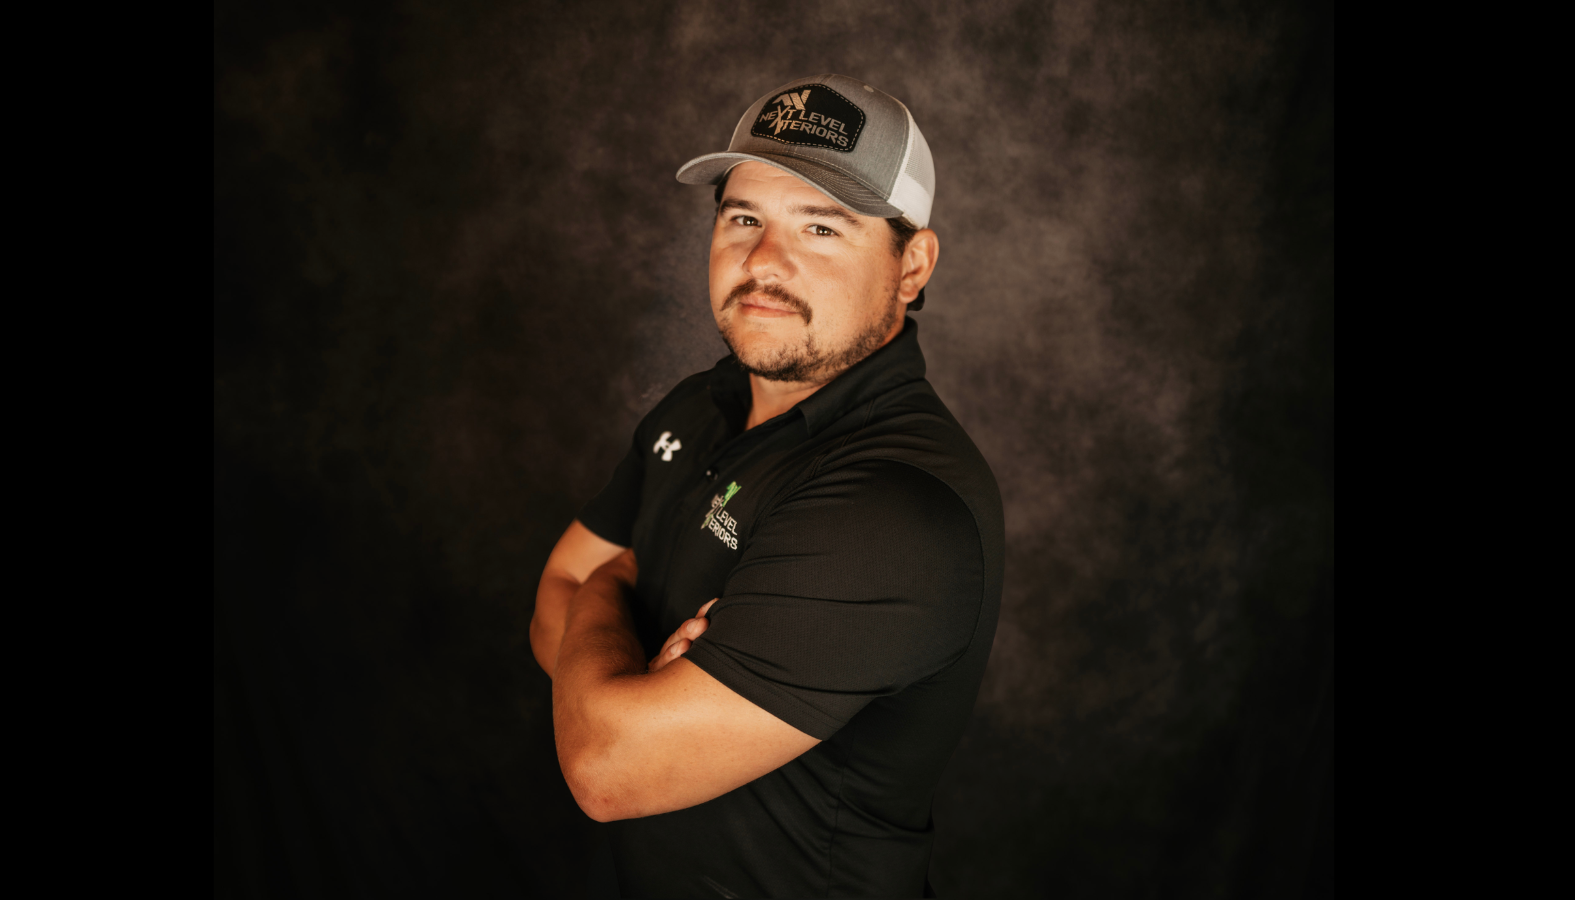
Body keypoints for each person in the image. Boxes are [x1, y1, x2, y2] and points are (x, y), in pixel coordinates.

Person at [530, 74, 1003, 898]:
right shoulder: (702, 402)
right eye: (743, 217)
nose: (764, 262)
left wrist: (609, 592)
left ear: (911, 264)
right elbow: (551, 598)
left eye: (822, 227)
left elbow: (607, 768)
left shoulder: (893, 506)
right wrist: (619, 641)